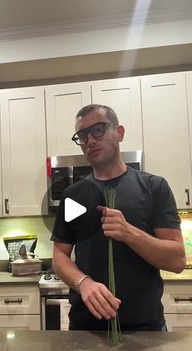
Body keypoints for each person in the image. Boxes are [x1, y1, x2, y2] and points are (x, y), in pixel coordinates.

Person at [51, 104, 186, 331]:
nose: (90, 141)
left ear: (119, 132)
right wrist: (83, 283)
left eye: (98, 130)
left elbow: (177, 261)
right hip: (86, 330)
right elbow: (59, 256)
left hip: (146, 331)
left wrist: (129, 233)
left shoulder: (153, 188)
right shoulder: (73, 196)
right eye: (82, 135)